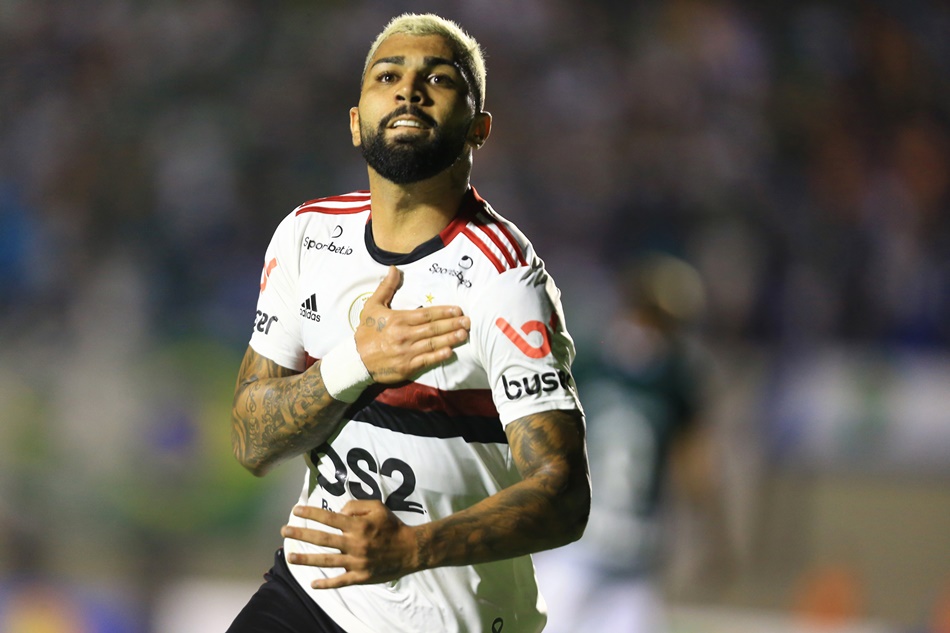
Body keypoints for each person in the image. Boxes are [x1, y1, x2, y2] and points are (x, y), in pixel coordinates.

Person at [227, 13, 590, 633]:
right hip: (313, 594)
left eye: (438, 78)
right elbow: (251, 442)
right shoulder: (305, 237)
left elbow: (563, 495)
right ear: (354, 121)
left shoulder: (504, 281)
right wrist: (354, 365)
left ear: (479, 128)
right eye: (387, 75)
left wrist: (414, 548)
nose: (408, 89)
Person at [534, 252, 725, 633]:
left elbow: (693, 464)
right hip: (584, 549)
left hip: (618, 557)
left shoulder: (600, 361)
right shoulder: (660, 375)